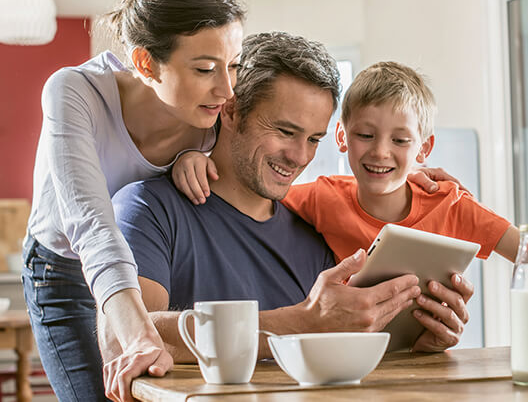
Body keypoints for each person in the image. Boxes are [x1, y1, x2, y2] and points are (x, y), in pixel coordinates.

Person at [112, 32, 474, 362]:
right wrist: (301, 324)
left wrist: (415, 345)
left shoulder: (316, 232)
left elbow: (338, 352)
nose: (301, 157)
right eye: (286, 131)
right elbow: (135, 336)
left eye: (314, 139)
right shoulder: (148, 209)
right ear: (232, 110)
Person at [21, 0, 245, 402]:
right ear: (146, 61)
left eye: (233, 65)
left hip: (152, 269)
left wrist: (193, 155)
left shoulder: (214, 119)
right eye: (204, 69)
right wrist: (140, 335)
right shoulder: (74, 93)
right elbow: (92, 226)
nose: (227, 90)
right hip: (63, 273)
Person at [276, 61, 520, 265]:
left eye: (400, 140)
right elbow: (250, 199)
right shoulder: (322, 197)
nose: (380, 152)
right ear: (342, 136)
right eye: (365, 135)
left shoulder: (449, 204)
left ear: (423, 148)